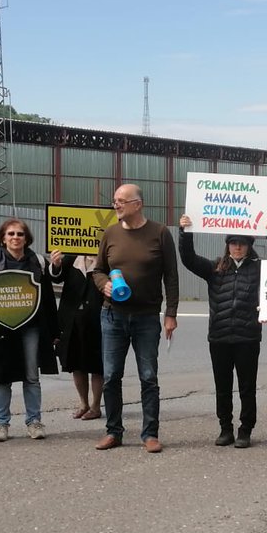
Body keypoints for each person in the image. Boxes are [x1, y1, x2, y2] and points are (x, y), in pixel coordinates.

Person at [90, 184, 179, 453]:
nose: (115, 205)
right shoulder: (111, 233)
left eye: (121, 201)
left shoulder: (160, 233)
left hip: (146, 318)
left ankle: (150, 434)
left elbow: (171, 277)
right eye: (115, 200)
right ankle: (113, 431)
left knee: (148, 376)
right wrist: (103, 284)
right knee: (111, 376)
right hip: (113, 316)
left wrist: (171, 314)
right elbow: (98, 270)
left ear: (137, 204)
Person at [178, 215, 266, 448]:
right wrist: (185, 232)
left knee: (247, 387)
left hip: (248, 338)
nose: (237, 246)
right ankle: (225, 429)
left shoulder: (260, 269)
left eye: (242, 243)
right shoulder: (215, 268)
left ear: (249, 246)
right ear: (227, 245)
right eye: (233, 242)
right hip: (219, 337)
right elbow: (188, 259)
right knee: (223, 387)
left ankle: (245, 429)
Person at [0, 219, 60, 442]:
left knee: (32, 376)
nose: (15, 237)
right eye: (11, 234)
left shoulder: (38, 264)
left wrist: (55, 331)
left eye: (20, 234)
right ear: (3, 238)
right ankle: (0, 425)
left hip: (32, 328)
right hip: (2, 329)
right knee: (1, 378)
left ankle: (34, 421)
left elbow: (48, 300)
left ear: (26, 238)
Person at [54, 251, 104, 421]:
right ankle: (84, 403)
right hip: (71, 319)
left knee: (97, 365)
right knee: (76, 362)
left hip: (97, 319)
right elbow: (56, 278)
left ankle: (96, 406)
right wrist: (56, 265)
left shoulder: (106, 259)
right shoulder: (71, 259)